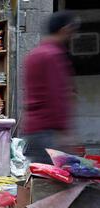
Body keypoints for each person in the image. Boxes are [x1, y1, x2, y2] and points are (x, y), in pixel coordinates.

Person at [22, 11, 79, 164]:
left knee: (42, 177)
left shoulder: (34, 54)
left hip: (34, 128)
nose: (72, 36)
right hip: (49, 131)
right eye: (72, 31)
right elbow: (57, 96)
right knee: (57, 180)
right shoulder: (53, 55)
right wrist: (64, 131)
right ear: (65, 30)